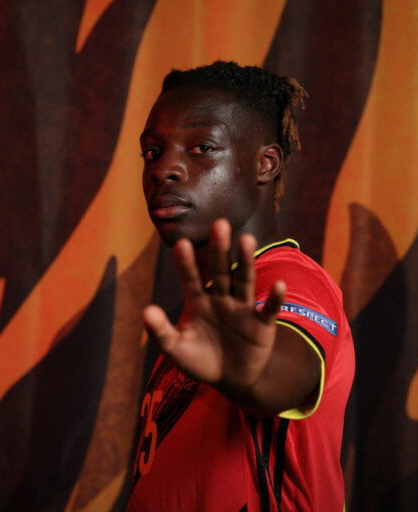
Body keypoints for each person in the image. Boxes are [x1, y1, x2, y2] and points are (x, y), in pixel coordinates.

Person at [128, 61, 355, 511]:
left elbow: (287, 375)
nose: (163, 170)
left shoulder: (290, 278)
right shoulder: (211, 309)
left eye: (202, 148)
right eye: (153, 152)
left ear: (265, 163)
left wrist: (255, 374)